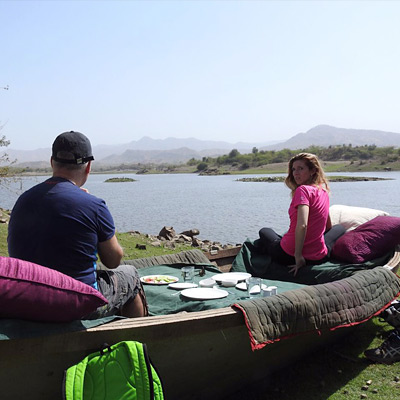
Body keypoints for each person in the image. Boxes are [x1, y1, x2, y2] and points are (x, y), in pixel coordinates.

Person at [8, 131, 147, 318]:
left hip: (28, 301)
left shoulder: (23, 201)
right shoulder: (93, 205)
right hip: (77, 306)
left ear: (52, 162)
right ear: (88, 166)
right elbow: (113, 261)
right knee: (130, 275)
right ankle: (137, 340)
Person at [259, 153, 345, 276]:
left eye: (301, 168)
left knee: (264, 231)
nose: (295, 173)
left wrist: (298, 256)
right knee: (340, 228)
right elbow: (328, 225)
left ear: (313, 171)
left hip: (288, 255)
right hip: (318, 257)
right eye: (294, 169)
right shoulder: (323, 192)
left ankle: (286, 245)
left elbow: (302, 225)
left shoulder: (303, 190)